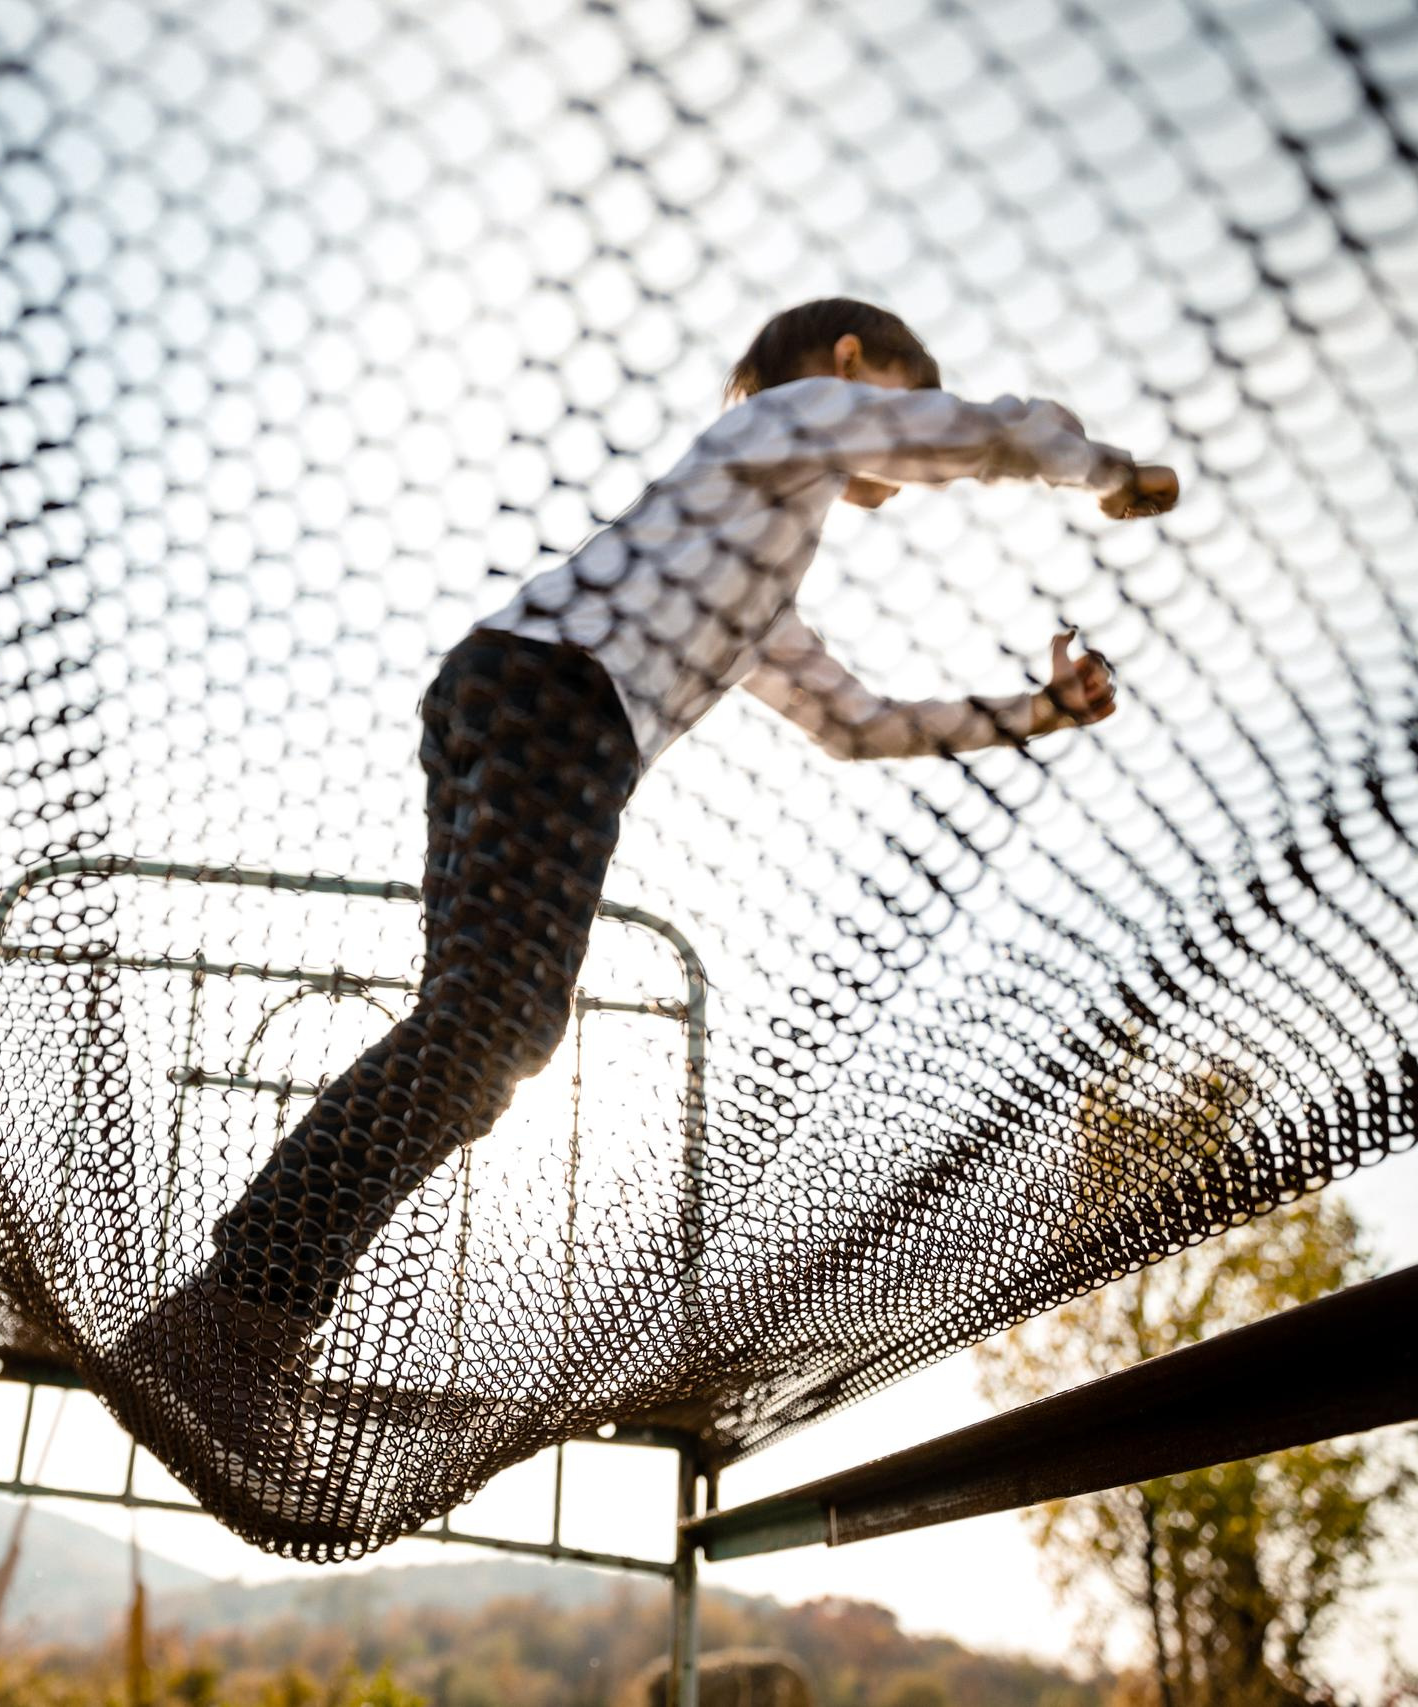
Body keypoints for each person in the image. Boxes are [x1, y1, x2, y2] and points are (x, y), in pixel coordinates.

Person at [121, 298, 1179, 1380]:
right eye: (904, 401)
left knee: (478, 1033)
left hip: (505, 695)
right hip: (559, 704)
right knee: (495, 1028)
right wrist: (1103, 469)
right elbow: (982, 433)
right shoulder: (790, 418)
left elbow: (853, 727)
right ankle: (230, 1322)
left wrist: (1033, 712)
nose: (901, 455)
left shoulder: (743, 545)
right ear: (853, 365)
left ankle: (234, 1319)